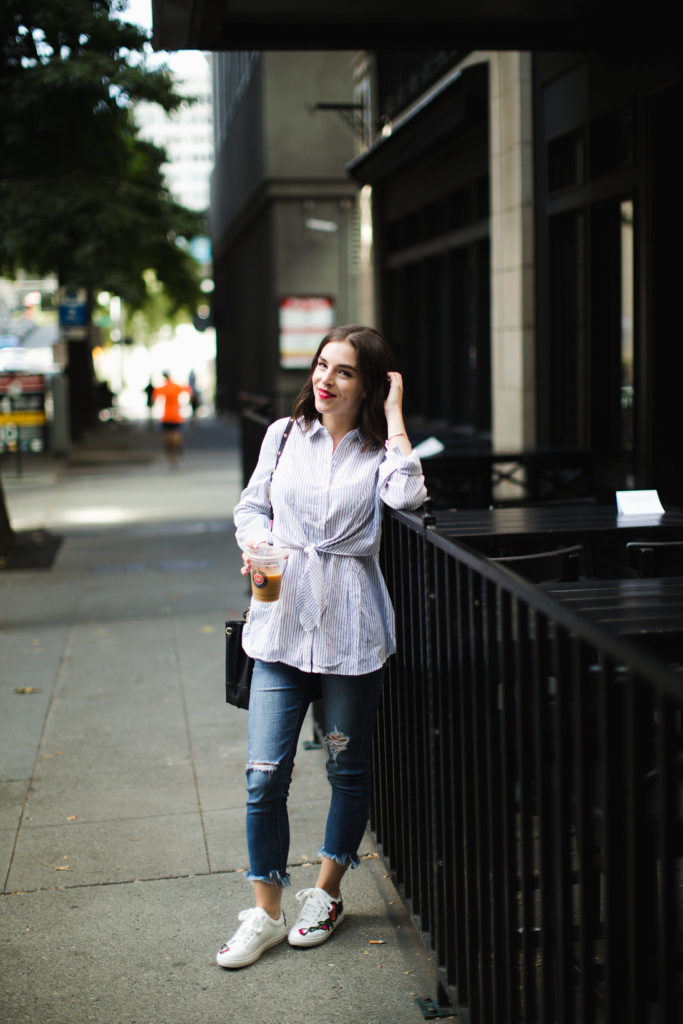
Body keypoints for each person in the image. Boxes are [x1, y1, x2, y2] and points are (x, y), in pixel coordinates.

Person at [217, 324, 427, 970]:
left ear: (366, 385)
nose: (324, 379)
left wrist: (394, 417)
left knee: (346, 768)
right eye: (320, 366)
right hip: (280, 624)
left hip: (350, 630)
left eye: (342, 372)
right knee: (263, 777)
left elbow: (408, 496)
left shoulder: (376, 449)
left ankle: (326, 893)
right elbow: (250, 509)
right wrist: (255, 546)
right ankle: (265, 910)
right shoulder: (283, 435)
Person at [151, 371, 191, 466]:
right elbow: (189, 390)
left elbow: (154, 397)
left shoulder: (163, 388)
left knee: (167, 439)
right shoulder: (176, 386)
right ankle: (178, 448)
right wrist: (189, 402)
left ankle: (172, 457)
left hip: (167, 416)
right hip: (176, 416)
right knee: (176, 436)